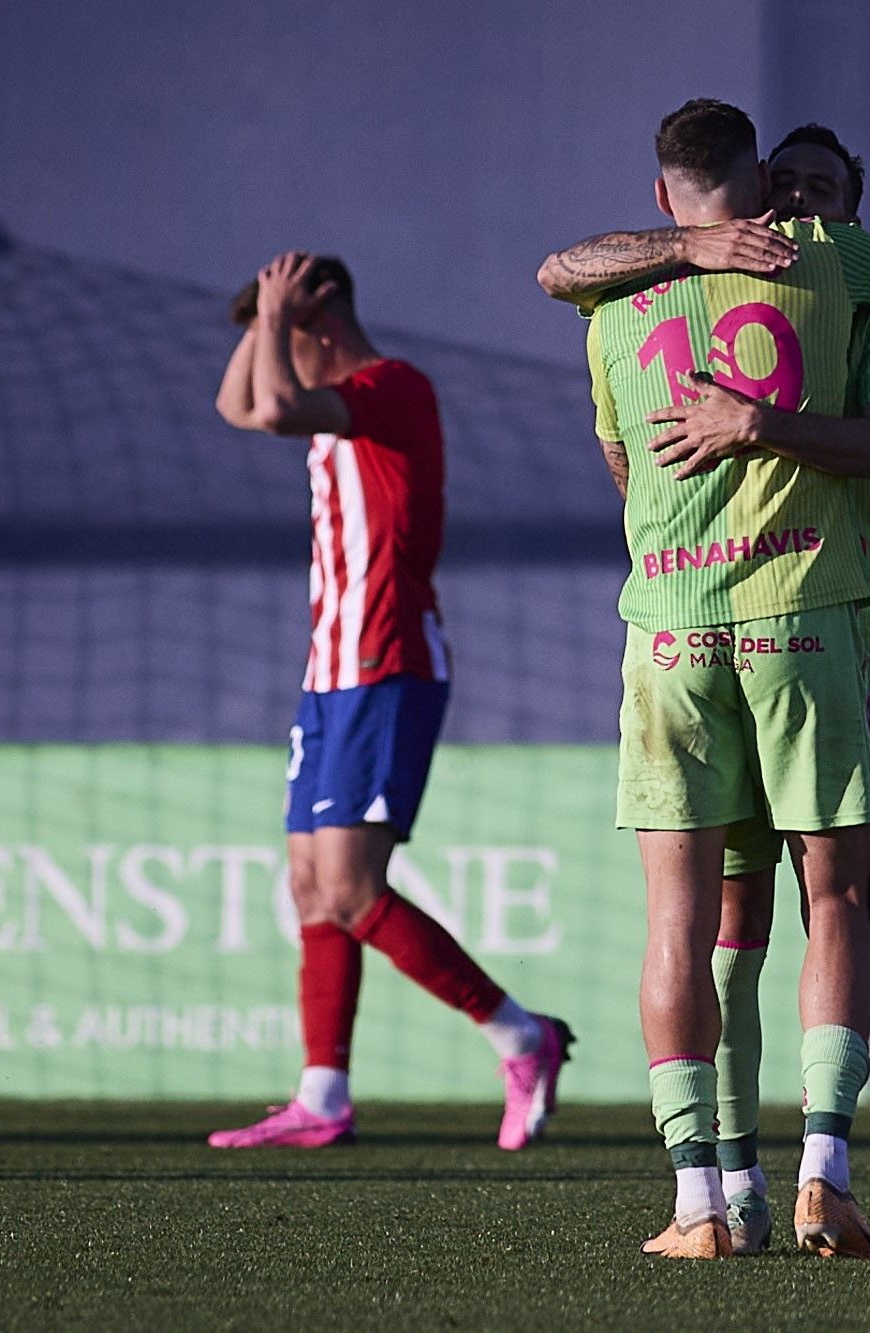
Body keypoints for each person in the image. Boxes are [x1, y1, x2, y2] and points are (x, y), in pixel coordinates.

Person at [548, 122, 870, 1259]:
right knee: (749, 922)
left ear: (851, 209)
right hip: (785, 634)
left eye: (819, 194)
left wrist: (758, 424)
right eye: (780, 188)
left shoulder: (851, 288)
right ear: (742, 191)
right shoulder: (758, 280)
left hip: (815, 642)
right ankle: (748, 1187)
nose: (795, 210)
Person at [211, 252, 572, 1151]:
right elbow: (240, 408)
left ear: (322, 314)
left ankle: (523, 1037)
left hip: (387, 661)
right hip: (329, 673)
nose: (268, 350)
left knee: (351, 886)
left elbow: (273, 405)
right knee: (308, 886)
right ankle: (323, 1094)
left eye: (280, 330)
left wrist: (278, 318)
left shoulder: (392, 385)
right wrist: (266, 318)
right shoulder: (327, 400)